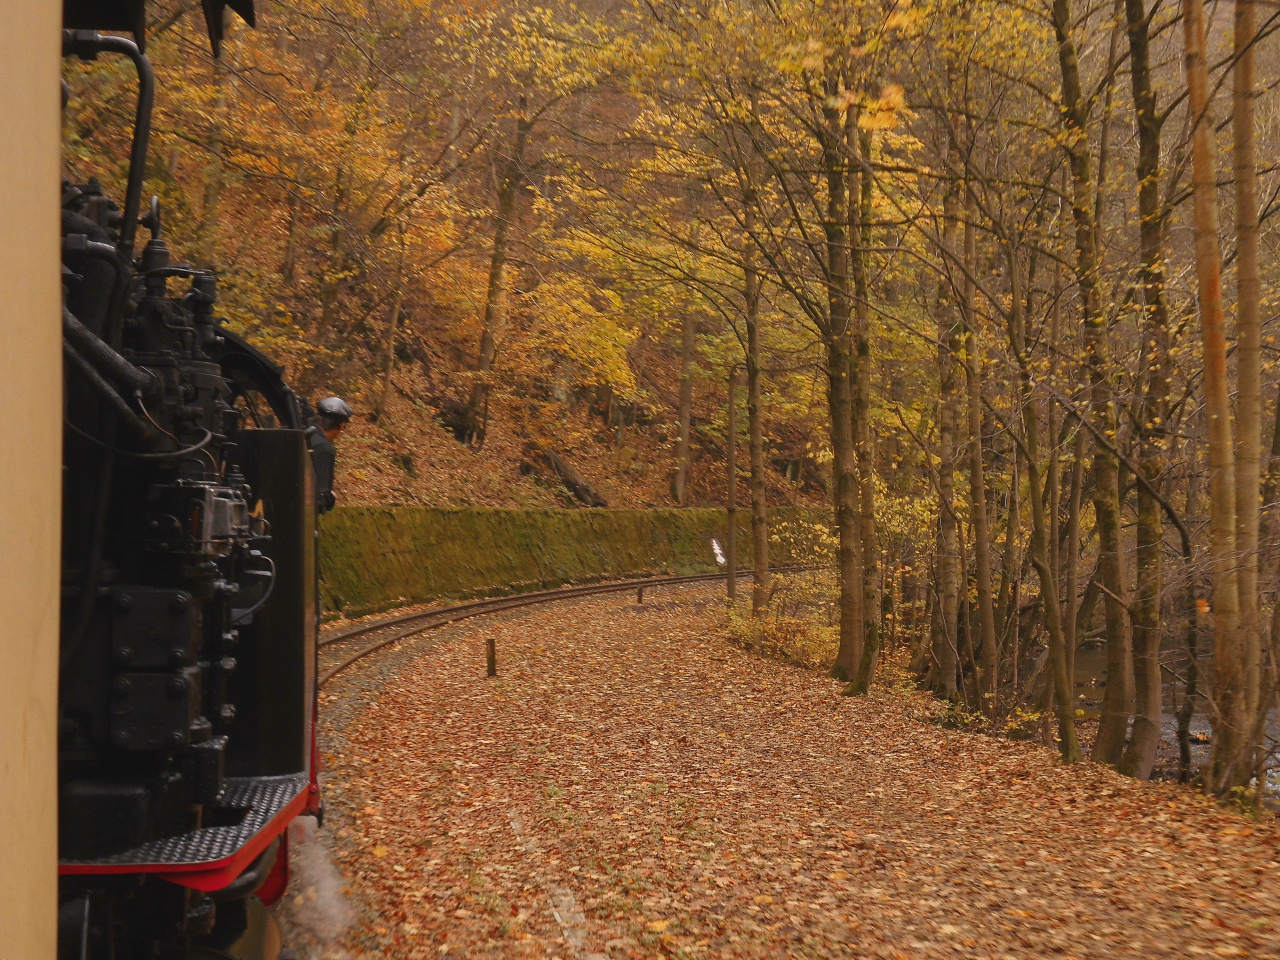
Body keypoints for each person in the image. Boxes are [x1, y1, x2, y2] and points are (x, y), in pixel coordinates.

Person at [307, 396, 352, 513]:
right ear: (341, 425)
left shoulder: (303, 435)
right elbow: (320, 499)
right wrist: (331, 497)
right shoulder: (323, 448)